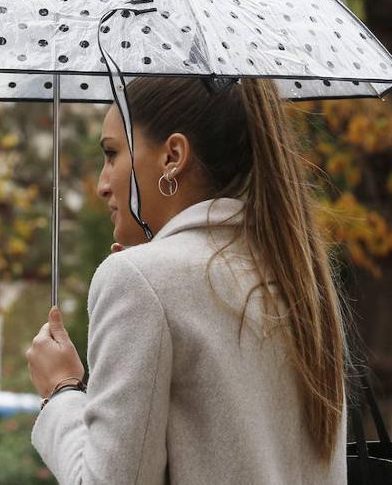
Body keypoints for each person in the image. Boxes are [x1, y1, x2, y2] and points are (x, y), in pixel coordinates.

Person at [24, 76, 349, 484]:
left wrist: (61, 392)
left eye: (112, 154)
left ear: (172, 155)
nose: (103, 184)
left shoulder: (137, 281)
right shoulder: (298, 275)